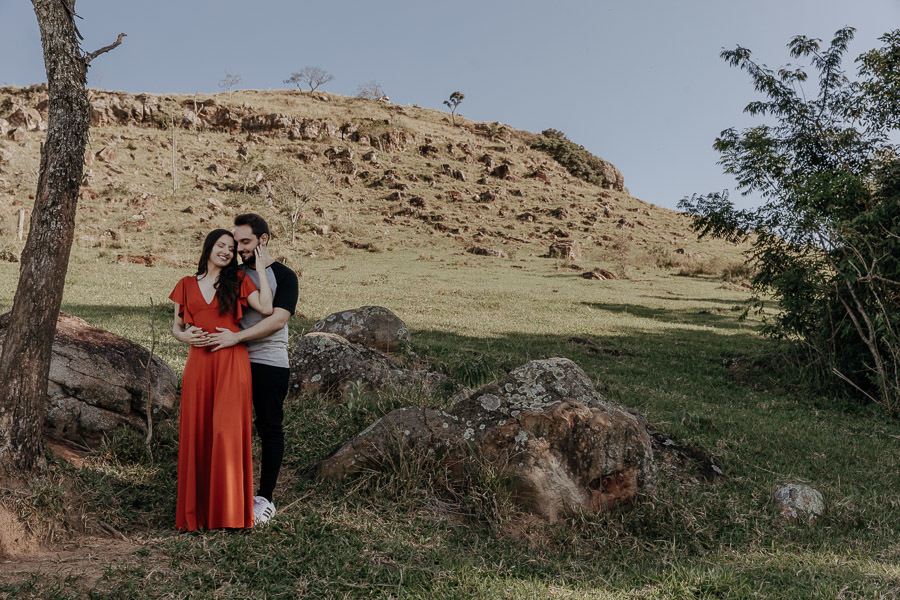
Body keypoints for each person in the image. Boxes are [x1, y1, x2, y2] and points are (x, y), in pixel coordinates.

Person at [169, 229, 273, 531]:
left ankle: (229, 514)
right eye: (221, 246)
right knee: (198, 432)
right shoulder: (186, 284)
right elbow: (176, 327)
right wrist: (185, 336)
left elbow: (266, 308)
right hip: (199, 365)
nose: (226, 252)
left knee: (226, 434)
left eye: (231, 248)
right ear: (209, 248)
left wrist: (262, 271)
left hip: (231, 362)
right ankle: (197, 514)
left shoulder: (239, 281)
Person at [207, 214, 299, 525]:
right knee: (229, 426)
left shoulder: (285, 276)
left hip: (269, 363)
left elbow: (278, 320)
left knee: (269, 427)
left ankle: (266, 498)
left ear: (263, 239)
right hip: (233, 361)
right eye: (237, 243)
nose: (240, 248)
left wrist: (237, 337)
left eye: (245, 242)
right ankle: (230, 491)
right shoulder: (233, 274)